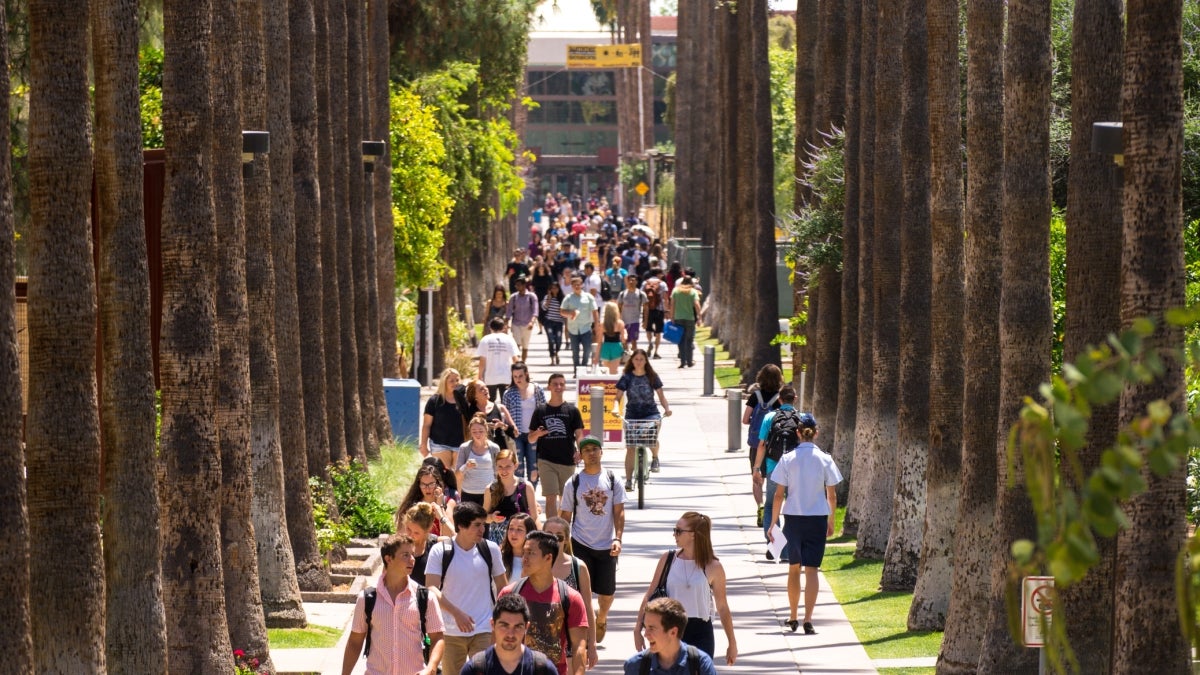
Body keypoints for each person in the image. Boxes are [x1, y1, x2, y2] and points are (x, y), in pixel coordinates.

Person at [765, 412, 843, 635]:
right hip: (817, 519)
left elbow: (779, 495)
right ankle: (808, 618)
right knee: (812, 570)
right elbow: (832, 495)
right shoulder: (825, 459)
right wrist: (831, 520)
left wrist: (773, 524)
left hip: (793, 521)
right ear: (815, 433)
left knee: (793, 568)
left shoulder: (788, 459)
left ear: (797, 433)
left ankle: (792, 615)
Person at [634, 513, 736, 665]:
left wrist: (732, 642)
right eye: (675, 530)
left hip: (701, 631)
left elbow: (722, 607)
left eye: (678, 531)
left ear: (694, 535)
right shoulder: (668, 560)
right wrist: (638, 629)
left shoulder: (713, 566)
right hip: (669, 630)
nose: (674, 534)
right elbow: (649, 595)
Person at [343, 534, 446, 675]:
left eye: (412, 554)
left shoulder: (425, 597)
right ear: (388, 559)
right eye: (405, 555)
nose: (412, 560)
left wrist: (431, 668)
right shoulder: (367, 598)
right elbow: (355, 642)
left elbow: (438, 637)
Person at [427, 501, 509, 675]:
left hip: (484, 629)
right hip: (450, 631)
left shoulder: (490, 549)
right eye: (477, 525)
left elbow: (503, 587)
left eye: (483, 524)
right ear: (461, 526)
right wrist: (457, 614)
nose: (482, 529)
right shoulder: (440, 551)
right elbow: (431, 588)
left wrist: (502, 621)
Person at [560, 436, 626, 645]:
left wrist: (618, 538)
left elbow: (619, 511)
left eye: (594, 449)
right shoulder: (574, 482)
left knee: (607, 593)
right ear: (581, 455)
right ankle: (583, 633)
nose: (591, 453)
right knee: (580, 592)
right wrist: (562, 544)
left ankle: (602, 617)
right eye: (586, 450)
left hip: (606, 544)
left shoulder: (613, 479)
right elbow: (566, 515)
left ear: (601, 453)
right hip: (580, 543)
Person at [499, 532, 589, 675]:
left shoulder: (571, 598)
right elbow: (496, 641)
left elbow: (579, 646)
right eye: (524, 553)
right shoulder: (509, 594)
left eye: (531, 553)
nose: (524, 558)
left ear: (548, 558)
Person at [543, 517, 599, 669]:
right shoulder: (534, 565)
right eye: (549, 535)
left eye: (559, 537)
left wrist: (591, 645)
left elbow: (588, 607)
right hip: (540, 641)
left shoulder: (578, 567)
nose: (554, 540)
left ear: (566, 540)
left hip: (571, 641)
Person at [752, 385, 801, 555]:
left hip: (774, 468)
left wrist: (757, 468)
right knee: (791, 507)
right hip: (796, 470)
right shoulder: (801, 418)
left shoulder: (770, 417)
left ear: (779, 399)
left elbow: (762, 445)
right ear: (795, 398)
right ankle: (787, 550)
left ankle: (775, 546)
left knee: (771, 506)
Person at [528, 373, 585, 518]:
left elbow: (579, 434)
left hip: (567, 460)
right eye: (555, 384)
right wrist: (538, 434)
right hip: (546, 460)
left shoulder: (572, 411)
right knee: (551, 496)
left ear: (565, 386)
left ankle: (564, 532)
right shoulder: (540, 411)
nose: (558, 387)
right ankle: (552, 533)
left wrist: (581, 450)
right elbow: (530, 438)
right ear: (549, 387)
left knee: (565, 499)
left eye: (561, 384)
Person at [459, 594, 558, 675]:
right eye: (504, 625)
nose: (510, 634)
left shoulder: (543, 669)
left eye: (517, 626)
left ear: (526, 627)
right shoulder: (475, 669)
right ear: (492, 625)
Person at [613, 349, 671, 484]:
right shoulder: (626, 377)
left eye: (641, 359)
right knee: (630, 447)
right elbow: (617, 397)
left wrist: (667, 409)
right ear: (632, 361)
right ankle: (628, 480)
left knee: (650, 438)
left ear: (646, 361)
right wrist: (615, 409)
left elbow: (661, 396)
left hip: (651, 413)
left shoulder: (652, 376)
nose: (639, 362)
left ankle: (655, 457)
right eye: (636, 359)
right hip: (632, 414)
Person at [623, 598, 718, 675]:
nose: (646, 634)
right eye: (645, 627)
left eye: (651, 628)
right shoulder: (636, 666)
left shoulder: (700, 664)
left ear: (673, 632)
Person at [742, 364, 784, 527]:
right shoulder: (779, 398)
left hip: (755, 444)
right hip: (774, 445)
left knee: (757, 478)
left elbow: (745, 419)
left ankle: (759, 506)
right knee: (773, 479)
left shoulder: (755, 396)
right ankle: (769, 508)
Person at [503, 362, 546, 484]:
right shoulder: (509, 393)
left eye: (520, 376)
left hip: (534, 433)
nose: (518, 379)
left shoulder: (537, 389)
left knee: (534, 467)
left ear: (526, 374)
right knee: (518, 468)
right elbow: (505, 414)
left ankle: (532, 495)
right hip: (517, 435)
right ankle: (520, 498)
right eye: (515, 376)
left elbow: (544, 410)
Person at [484, 449, 540, 544]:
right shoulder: (490, 489)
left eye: (508, 466)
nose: (504, 470)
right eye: (500, 466)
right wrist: (492, 518)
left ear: (516, 466)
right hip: (497, 539)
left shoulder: (526, 487)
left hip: (521, 538)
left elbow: (535, 517)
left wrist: (538, 539)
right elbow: (483, 517)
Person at [422, 369, 469, 469]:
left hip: (460, 444)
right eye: (451, 381)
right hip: (439, 444)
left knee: (458, 477)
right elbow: (427, 425)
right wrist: (423, 445)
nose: (455, 383)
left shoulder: (463, 401)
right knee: (444, 476)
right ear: (444, 382)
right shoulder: (434, 400)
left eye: (457, 380)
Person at [398, 463, 458, 538]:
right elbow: (402, 535)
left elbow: (451, 535)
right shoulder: (412, 505)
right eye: (423, 484)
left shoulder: (449, 502)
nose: (427, 488)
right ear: (418, 485)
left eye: (431, 484)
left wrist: (440, 507)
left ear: (438, 484)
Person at [456, 414, 501, 506]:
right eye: (474, 431)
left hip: (489, 492)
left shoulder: (494, 448)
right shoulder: (464, 448)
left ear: (486, 430)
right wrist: (466, 467)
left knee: (487, 519)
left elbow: (499, 471)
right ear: (470, 432)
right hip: (468, 492)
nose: (478, 434)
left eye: (481, 431)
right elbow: (457, 474)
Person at [559, 275, 599, 377]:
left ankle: (584, 369)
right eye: (575, 285)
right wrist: (570, 313)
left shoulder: (589, 297)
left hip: (586, 328)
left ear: (582, 285)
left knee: (587, 351)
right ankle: (577, 372)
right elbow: (562, 311)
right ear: (572, 286)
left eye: (578, 285)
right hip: (573, 329)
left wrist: (597, 325)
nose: (577, 286)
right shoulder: (568, 298)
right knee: (575, 352)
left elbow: (595, 311)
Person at [465, 378, 517, 450]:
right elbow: (467, 432)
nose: (486, 389)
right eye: (481, 389)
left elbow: (515, 433)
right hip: (479, 452)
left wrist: (502, 425)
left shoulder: (500, 408)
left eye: (485, 387)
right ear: (474, 395)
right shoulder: (470, 410)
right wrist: (484, 426)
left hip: (499, 452)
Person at [477, 318, 521, 401]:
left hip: (490, 377)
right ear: (503, 328)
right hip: (506, 376)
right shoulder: (509, 339)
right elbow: (515, 358)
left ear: (490, 328)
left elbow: (482, 360)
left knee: (490, 401)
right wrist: (521, 372)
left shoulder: (485, 340)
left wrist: (479, 375)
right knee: (506, 402)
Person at [401, 503, 444, 583]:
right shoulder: (398, 545)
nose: (411, 535)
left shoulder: (436, 544)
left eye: (416, 533)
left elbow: (458, 541)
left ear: (427, 531)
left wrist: (442, 518)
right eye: (408, 529)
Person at [668, 278, 701, 369]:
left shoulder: (676, 291)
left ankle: (682, 361)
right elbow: (697, 304)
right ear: (691, 283)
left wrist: (672, 317)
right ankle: (689, 361)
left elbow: (672, 304)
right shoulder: (693, 291)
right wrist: (699, 317)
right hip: (690, 319)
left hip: (678, 318)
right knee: (689, 340)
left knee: (681, 340)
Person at [508, 276, 540, 363]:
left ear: (524, 285)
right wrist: (506, 323)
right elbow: (509, 311)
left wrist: (532, 322)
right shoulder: (513, 297)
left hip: (527, 324)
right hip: (516, 323)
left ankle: (523, 363)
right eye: (516, 285)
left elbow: (535, 311)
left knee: (525, 346)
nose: (518, 287)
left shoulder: (531, 296)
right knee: (516, 345)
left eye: (519, 285)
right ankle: (517, 363)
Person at [501, 512, 538, 580]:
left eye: (519, 529)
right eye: (511, 528)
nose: (513, 533)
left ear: (529, 533)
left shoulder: (538, 559)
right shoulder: (498, 555)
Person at [617, 274, 647, 354]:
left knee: (634, 341)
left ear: (636, 282)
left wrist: (645, 321)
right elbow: (618, 307)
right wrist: (618, 320)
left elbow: (646, 308)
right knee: (624, 339)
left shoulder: (641, 294)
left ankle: (634, 356)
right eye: (629, 280)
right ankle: (625, 355)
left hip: (635, 321)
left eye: (633, 280)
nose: (631, 282)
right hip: (624, 321)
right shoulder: (622, 294)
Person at [641, 271, 666, 359]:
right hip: (659, 310)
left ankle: (650, 343)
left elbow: (641, 295)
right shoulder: (662, 284)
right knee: (658, 331)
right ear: (658, 274)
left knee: (648, 329)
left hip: (648, 309)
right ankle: (656, 352)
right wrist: (667, 310)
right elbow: (665, 298)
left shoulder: (645, 283)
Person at [598, 302, 625, 374]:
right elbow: (623, 340)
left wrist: (596, 355)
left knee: (607, 372)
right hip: (616, 347)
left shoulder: (602, 324)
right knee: (614, 371)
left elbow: (599, 341)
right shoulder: (620, 323)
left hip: (605, 348)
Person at [542, 283, 565, 365]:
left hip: (559, 322)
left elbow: (565, 310)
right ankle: (552, 358)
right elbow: (544, 308)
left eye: (556, 288)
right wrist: (549, 298)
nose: (554, 290)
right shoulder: (547, 297)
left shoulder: (562, 298)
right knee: (551, 340)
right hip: (549, 321)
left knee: (559, 340)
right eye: (552, 288)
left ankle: (557, 353)